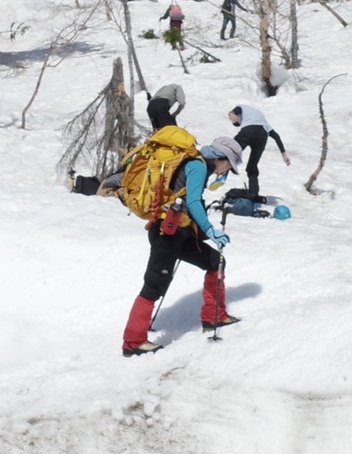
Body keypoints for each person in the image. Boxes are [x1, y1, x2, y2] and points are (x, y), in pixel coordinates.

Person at [120, 132, 236, 357]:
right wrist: (211, 231)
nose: (226, 171)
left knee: (215, 261)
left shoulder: (196, 164)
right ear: (220, 158)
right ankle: (133, 341)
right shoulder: (198, 166)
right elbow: (192, 202)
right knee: (154, 285)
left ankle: (214, 317)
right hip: (167, 233)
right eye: (228, 166)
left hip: (179, 232)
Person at [226, 103, 290, 201]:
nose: (238, 124)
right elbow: (276, 136)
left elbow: (237, 110)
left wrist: (231, 113)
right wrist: (284, 154)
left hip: (248, 131)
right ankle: (253, 193)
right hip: (262, 135)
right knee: (252, 166)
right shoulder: (261, 117)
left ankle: (222, 172)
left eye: (237, 123)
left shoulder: (242, 107)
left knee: (230, 152)